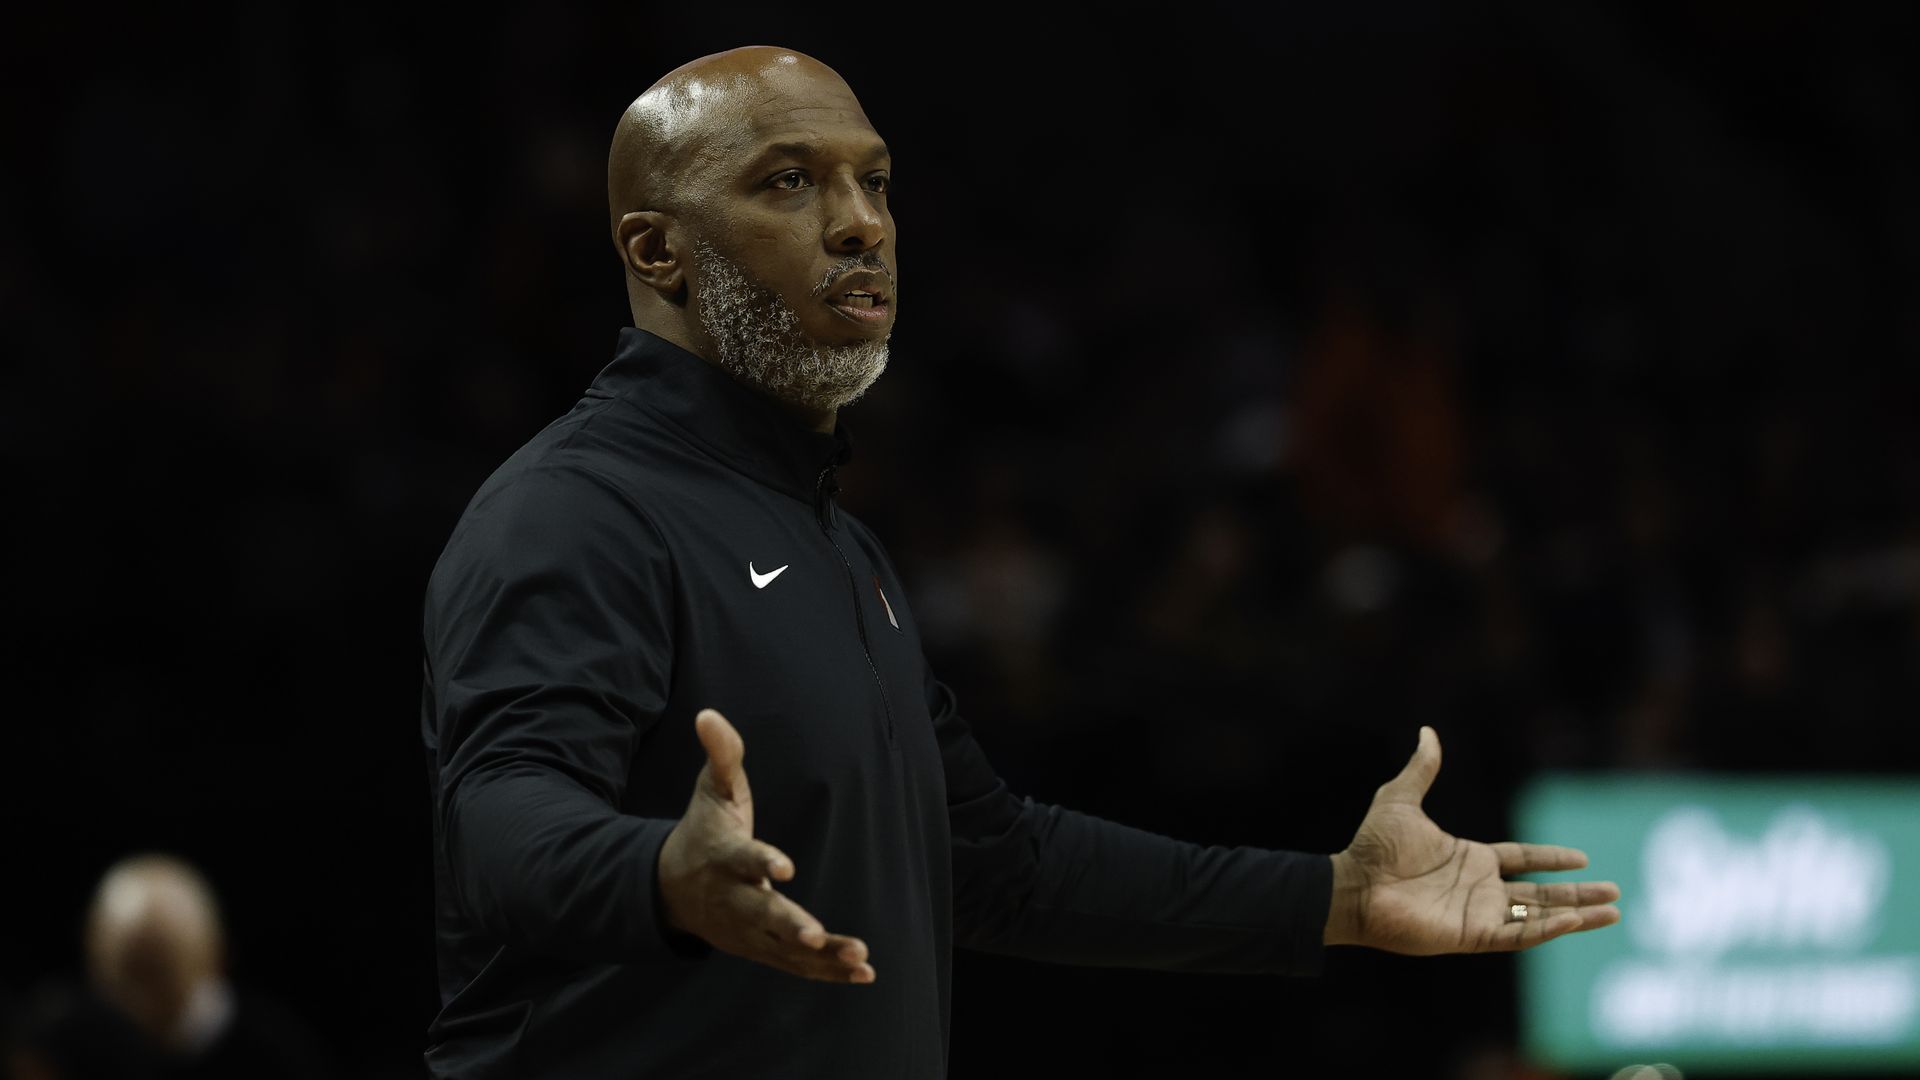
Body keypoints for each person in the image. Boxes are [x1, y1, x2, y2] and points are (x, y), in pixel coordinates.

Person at [418, 45, 1621, 1079]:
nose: (861, 222)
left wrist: (1334, 901)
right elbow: (501, 819)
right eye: (790, 182)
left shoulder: (837, 542)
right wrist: (661, 873)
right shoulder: (574, 512)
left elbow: (997, 865)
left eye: (875, 180)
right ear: (659, 249)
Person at [81, 855, 330, 1080]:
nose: (141, 999)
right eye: (125, 973)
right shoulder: (77, 1051)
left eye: (159, 972)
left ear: (214, 957)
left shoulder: (279, 1058)